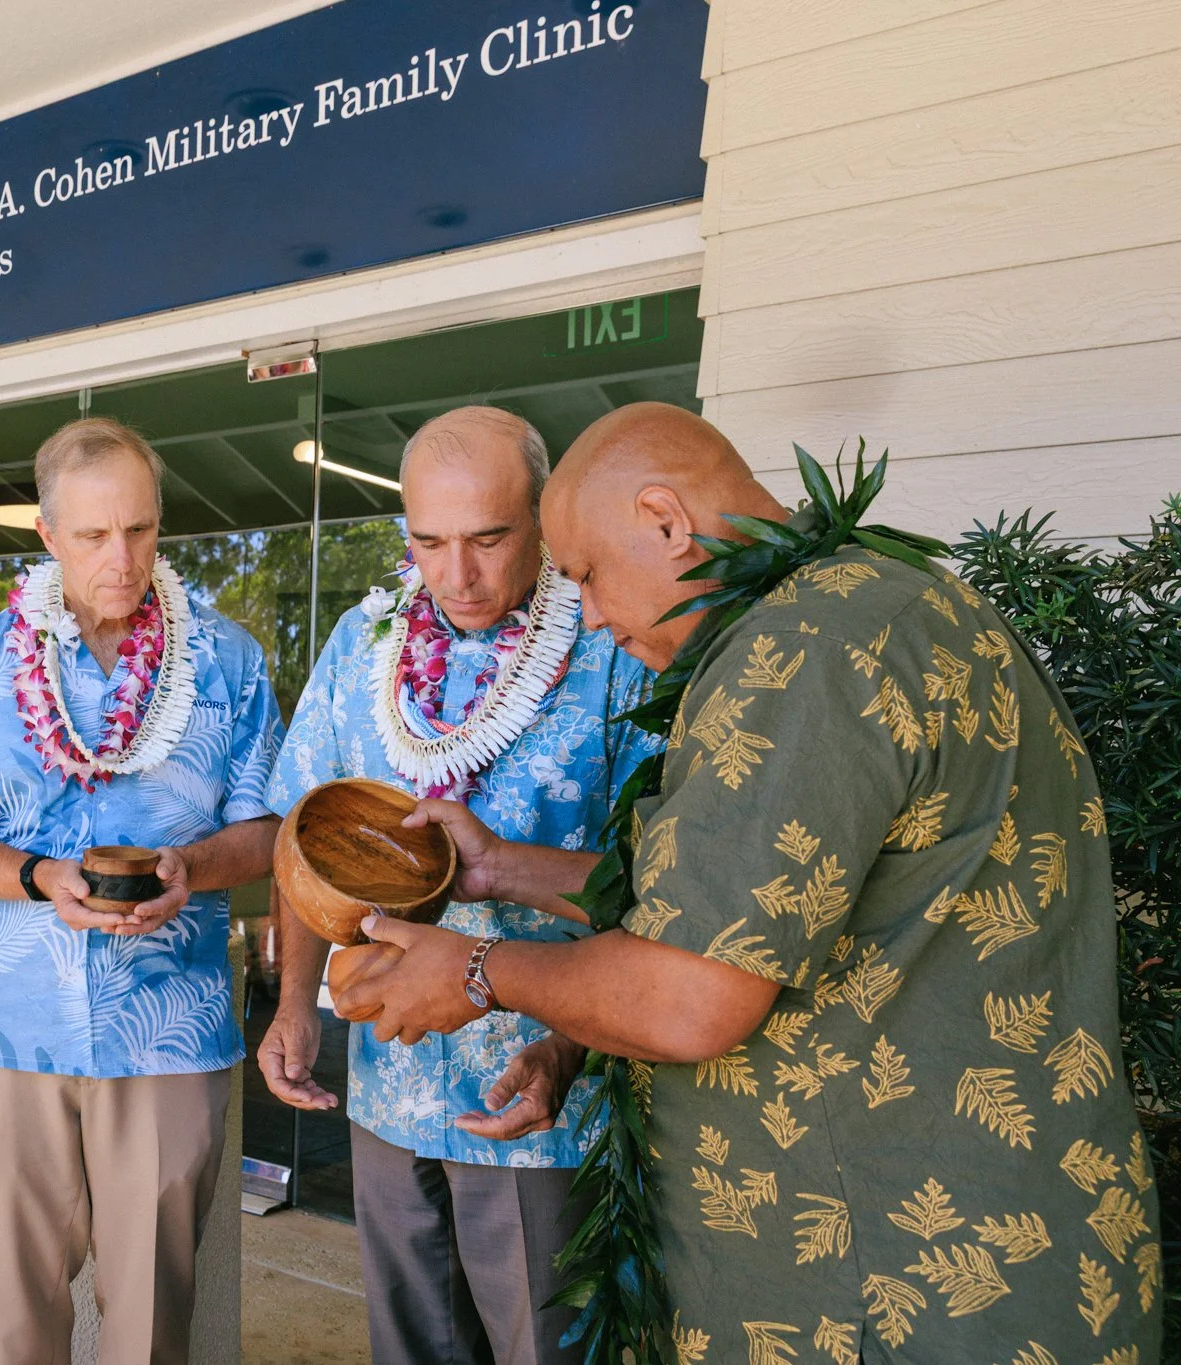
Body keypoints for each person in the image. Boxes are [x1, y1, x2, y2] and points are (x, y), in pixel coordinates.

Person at [338, 403, 1161, 1360]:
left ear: (665, 519)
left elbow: (691, 994)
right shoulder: (868, 608)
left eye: (590, 575)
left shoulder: (801, 654)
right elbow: (734, 896)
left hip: (901, 1284)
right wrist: (502, 869)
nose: (593, 613)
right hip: (962, 1254)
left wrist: (475, 971)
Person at [257, 407, 658, 1365]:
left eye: (488, 538)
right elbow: (303, 840)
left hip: (547, 1093)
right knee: (412, 1346)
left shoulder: (613, 643)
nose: (458, 575)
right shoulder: (364, 641)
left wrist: (569, 1048)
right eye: (428, 542)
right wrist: (293, 1009)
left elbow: (664, 883)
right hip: (389, 1082)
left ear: (544, 518)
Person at [0, 416, 285, 1365]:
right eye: (94, 534)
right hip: (10, 1028)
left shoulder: (226, 662)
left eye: (142, 530)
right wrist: (33, 876)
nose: (123, 557)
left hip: (170, 1026)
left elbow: (273, 832)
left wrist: (197, 868)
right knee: (12, 1319)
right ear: (47, 535)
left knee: (152, 1319)